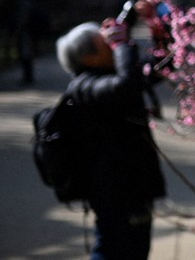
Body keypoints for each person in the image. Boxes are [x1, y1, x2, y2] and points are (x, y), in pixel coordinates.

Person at [56, 19, 166, 260]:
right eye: (105, 43)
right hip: (114, 192)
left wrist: (156, 26)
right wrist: (121, 43)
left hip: (132, 186)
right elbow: (127, 85)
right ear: (89, 58)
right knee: (111, 250)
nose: (113, 47)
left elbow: (163, 66)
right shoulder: (84, 87)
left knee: (134, 251)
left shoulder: (108, 76)